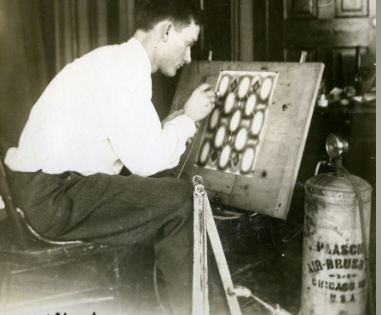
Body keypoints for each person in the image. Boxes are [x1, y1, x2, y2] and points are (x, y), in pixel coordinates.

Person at [3, 1, 220, 314]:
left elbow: (130, 145)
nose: (188, 57)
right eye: (187, 44)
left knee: (168, 189)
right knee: (185, 199)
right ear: (166, 30)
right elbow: (144, 162)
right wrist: (187, 119)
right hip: (53, 198)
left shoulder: (113, 60)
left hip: (40, 190)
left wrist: (172, 125)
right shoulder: (125, 71)